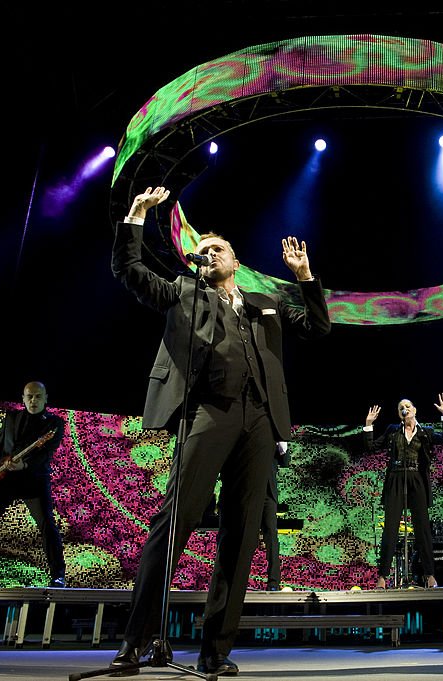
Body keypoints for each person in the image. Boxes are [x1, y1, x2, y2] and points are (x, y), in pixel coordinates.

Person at [108, 186, 330, 677]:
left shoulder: (263, 303)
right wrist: (136, 217)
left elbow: (317, 328)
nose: (209, 254)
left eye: (218, 249)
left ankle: (215, 650)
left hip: (259, 422)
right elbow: (131, 272)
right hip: (208, 411)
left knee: (240, 537)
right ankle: (135, 642)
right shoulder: (185, 291)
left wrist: (304, 277)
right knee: (174, 524)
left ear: (235, 260)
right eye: (202, 251)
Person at [0, 381, 66, 589]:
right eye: (29, 396)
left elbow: (46, 454)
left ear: (46, 398)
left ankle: (58, 576)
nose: (33, 400)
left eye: (38, 396)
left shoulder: (54, 423)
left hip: (34, 481)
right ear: (23, 398)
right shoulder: (11, 418)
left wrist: (24, 463)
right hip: (4, 480)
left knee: (47, 527)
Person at [364, 394, 443, 589]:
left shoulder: (425, 432)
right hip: (396, 477)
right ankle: (382, 576)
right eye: (401, 407)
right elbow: (371, 446)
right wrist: (369, 425)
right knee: (390, 529)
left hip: (417, 479)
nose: (405, 409)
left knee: (422, 529)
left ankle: (430, 575)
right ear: (399, 414)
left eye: (408, 406)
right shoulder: (393, 431)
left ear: (415, 410)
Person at [260, 442, 288, 591]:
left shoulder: (273, 440)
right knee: (246, 537)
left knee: (271, 536)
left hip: (268, 493)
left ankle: (273, 582)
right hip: (250, 493)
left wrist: (282, 445)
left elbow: (285, 462)